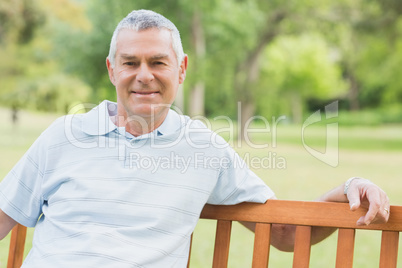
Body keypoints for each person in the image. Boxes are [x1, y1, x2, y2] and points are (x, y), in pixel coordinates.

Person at [0, 9, 390, 267]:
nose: (144, 75)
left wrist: (349, 187)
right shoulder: (64, 135)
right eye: (130, 63)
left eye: (157, 62)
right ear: (111, 69)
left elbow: (285, 235)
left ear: (182, 69)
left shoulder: (204, 149)